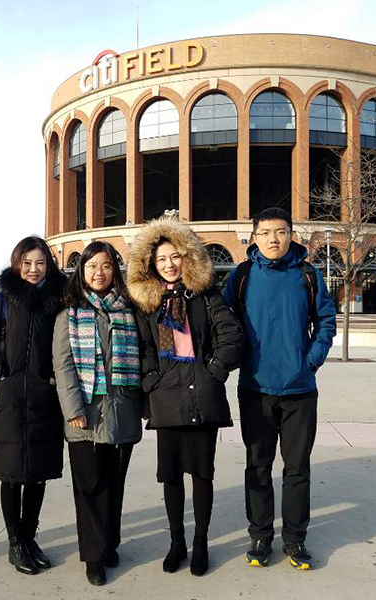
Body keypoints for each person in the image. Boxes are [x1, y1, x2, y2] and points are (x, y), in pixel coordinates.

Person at [126, 216, 244, 576]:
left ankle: (201, 541)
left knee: (202, 474)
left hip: (202, 394)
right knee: (172, 475)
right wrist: (152, 379)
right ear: (151, 264)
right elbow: (144, 347)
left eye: (174, 256)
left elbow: (232, 336)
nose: (169, 265)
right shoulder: (148, 303)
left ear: (187, 257)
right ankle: (177, 541)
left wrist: (214, 372)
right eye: (161, 259)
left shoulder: (206, 295)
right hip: (166, 397)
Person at [222, 207, 336, 570]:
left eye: (282, 232)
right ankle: (259, 536)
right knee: (257, 466)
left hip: (300, 389)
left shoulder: (308, 274)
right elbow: (223, 322)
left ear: (291, 235)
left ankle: (295, 539)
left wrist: (311, 359)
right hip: (255, 388)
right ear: (254, 237)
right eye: (267, 232)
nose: (274, 239)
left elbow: (326, 320)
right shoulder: (241, 276)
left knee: (297, 468)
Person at [0, 236, 67, 575]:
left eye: (40, 262)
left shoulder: (59, 301)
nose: (33, 269)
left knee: (37, 475)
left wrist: (55, 377)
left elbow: (69, 344)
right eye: (26, 263)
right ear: (16, 264)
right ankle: (15, 543)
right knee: (11, 476)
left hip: (46, 401)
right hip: (9, 401)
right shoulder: (1, 302)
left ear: (48, 265)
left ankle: (29, 537)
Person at [53, 241, 143, 586]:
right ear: (81, 271)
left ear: (114, 270)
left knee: (113, 483)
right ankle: (93, 555)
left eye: (105, 266)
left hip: (121, 411)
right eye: (91, 266)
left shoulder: (128, 310)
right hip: (85, 415)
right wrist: (73, 410)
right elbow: (63, 368)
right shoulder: (70, 314)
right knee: (88, 485)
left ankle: (109, 543)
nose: (99, 272)